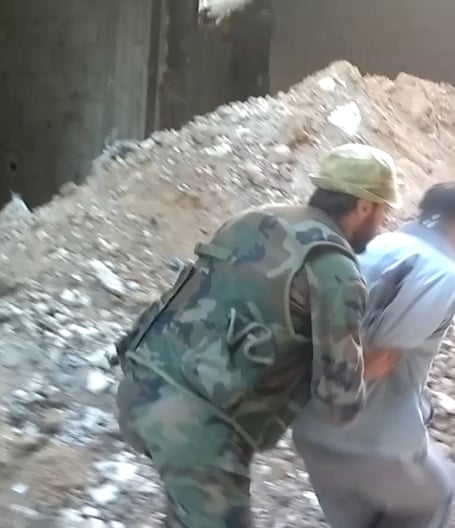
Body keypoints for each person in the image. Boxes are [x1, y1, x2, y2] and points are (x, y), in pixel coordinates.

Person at [113, 143, 403, 528]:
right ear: (364, 207)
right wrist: (368, 369)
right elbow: (338, 404)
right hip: (195, 429)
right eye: (383, 210)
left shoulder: (256, 218)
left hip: (142, 383)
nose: (384, 221)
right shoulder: (335, 269)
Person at [292, 182, 455, 528]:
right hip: (368, 441)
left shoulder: (379, 244)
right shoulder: (444, 273)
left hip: (310, 429)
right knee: (437, 494)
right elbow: (385, 346)